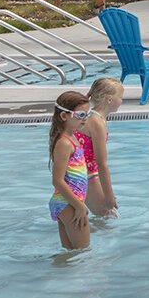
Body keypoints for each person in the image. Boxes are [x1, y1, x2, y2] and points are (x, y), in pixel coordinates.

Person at [49, 90, 93, 250]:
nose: (86, 118)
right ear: (64, 116)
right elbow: (57, 180)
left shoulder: (72, 138)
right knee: (83, 254)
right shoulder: (64, 143)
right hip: (68, 204)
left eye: (88, 114)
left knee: (70, 255)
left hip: (66, 203)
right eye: (81, 114)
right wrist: (79, 206)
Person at [79, 77, 124, 217]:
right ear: (109, 99)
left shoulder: (92, 116)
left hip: (80, 171)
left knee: (104, 217)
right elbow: (101, 163)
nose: (122, 101)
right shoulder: (97, 123)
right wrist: (109, 196)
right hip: (85, 174)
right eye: (121, 97)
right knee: (107, 216)